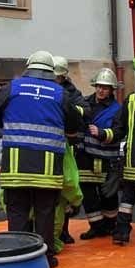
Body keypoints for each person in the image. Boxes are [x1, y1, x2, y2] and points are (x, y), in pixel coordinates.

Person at [0, 50, 83, 268]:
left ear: (28, 67)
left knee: (18, 212)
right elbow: (75, 123)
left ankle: (18, 257)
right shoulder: (59, 93)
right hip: (48, 170)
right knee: (45, 213)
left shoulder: (12, 88)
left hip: (15, 167)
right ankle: (44, 258)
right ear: (51, 71)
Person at [76, 68, 122, 240]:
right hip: (85, 158)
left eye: (105, 87)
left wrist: (102, 133)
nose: (101, 90)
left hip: (107, 159)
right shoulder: (85, 103)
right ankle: (96, 227)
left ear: (112, 90)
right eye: (99, 86)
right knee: (88, 195)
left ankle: (110, 225)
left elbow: (119, 131)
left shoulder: (117, 109)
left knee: (108, 195)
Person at [53, 55, 91, 245]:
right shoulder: (48, 89)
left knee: (66, 192)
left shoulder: (71, 92)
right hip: (51, 143)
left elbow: (86, 110)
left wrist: (70, 111)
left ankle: (64, 231)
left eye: (59, 77)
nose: (56, 79)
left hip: (67, 145)